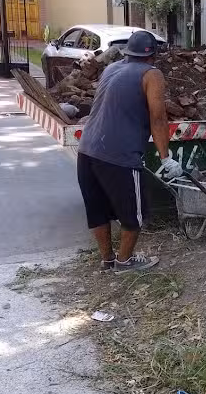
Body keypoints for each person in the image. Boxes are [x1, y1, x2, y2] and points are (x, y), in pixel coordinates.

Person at [77, 31, 183, 272]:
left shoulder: (111, 69)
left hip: (87, 151)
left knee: (97, 210)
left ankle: (107, 260)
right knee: (133, 215)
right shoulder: (152, 74)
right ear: (153, 55)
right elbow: (158, 118)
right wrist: (166, 159)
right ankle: (124, 262)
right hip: (119, 155)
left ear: (127, 52)